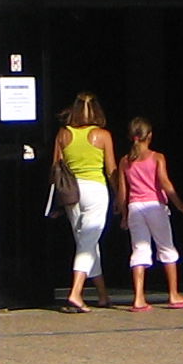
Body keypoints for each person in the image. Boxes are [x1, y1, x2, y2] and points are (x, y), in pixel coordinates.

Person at [53, 93, 118, 311]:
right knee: (88, 242)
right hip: (96, 190)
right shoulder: (103, 135)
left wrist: (57, 201)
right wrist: (119, 194)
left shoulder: (63, 134)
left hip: (71, 192)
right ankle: (75, 293)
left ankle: (102, 294)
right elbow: (111, 170)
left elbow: (56, 168)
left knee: (87, 242)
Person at [119, 118, 183, 310]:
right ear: (149, 136)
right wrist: (180, 204)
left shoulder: (125, 161)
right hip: (155, 206)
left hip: (135, 207)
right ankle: (173, 294)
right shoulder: (157, 157)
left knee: (139, 250)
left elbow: (122, 192)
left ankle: (138, 298)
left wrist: (123, 214)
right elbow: (165, 183)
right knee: (166, 248)